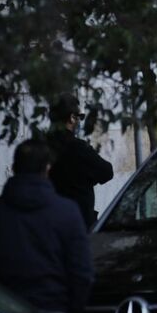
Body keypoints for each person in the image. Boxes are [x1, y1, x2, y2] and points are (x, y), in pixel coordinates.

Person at [0, 138, 93, 313]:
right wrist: (72, 309)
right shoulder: (67, 212)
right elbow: (82, 272)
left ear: (13, 169)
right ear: (47, 169)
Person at [47, 92, 113, 229]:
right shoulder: (78, 147)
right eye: (80, 117)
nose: (79, 121)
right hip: (77, 224)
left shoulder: (40, 145)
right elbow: (107, 172)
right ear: (72, 118)